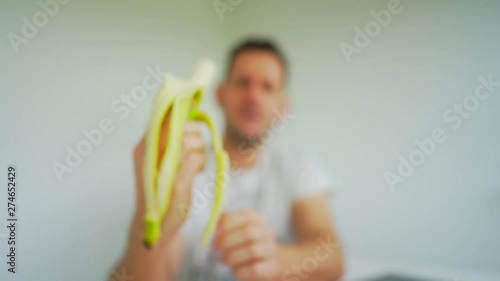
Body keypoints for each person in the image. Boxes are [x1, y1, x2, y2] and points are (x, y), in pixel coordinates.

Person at [109, 39, 344, 281]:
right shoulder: (185, 171)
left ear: (283, 106)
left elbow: (332, 258)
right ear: (221, 95)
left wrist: (276, 260)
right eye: (243, 83)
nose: (253, 96)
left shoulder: (298, 166)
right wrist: (151, 219)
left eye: (267, 87)